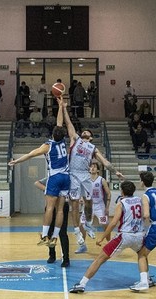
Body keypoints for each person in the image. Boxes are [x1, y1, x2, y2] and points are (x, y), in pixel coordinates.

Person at [60, 96, 124, 247]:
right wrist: (63, 108)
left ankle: (88, 223)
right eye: (83, 132)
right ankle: (77, 232)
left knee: (89, 203)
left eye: (86, 133)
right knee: (75, 205)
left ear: (91, 137)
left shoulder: (93, 149)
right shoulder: (75, 140)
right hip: (73, 174)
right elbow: (68, 123)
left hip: (85, 175)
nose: (84, 134)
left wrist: (116, 172)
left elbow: (105, 162)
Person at [8, 100, 70, 248]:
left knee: (49, 207)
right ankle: (55, 238)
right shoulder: (63, 142)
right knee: (60, 209)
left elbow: (30, 155)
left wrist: (16, 162)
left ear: (52, 133)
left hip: (54, 177)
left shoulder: (47, 146)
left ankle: (44, 235)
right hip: (66, 177)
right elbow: (60, 122)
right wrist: (61, 106)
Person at [69, 180, 144, 293]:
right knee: (142, 256)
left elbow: (113, 223)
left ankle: (82, 284)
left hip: (125, 236)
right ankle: (145, 280)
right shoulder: (139, 200)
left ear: (122, 191)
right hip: (139, 235)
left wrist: (102, 237)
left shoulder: (121, 203)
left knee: (99, 259)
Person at [75, 162, 112, 254]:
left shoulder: (101, 180)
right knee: (81, 225)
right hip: (88, 206)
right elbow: (80, 191)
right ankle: (83, 246)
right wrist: (80, 198)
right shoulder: (85, 180)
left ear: (98, 170)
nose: (92, 168)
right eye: (91, 167)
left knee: (105, 224)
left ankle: (110, 244)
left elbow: (109, 193)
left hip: (99, 206)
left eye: (94, 167)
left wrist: (107, 207)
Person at [34, 178, 70, 268]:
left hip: (62, 207)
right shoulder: (51, 177)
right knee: (49, 232)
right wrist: (49, 189)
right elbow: (36, 183)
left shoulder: (66, 177)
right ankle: (52, 254)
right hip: (51, 207)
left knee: (62, 233)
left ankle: (66, 259)